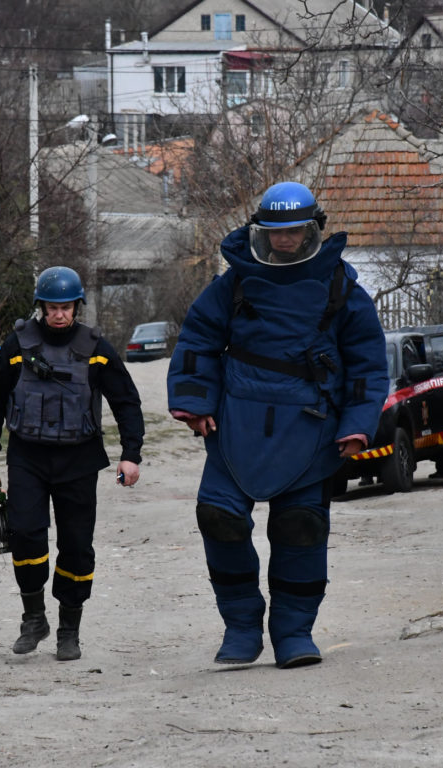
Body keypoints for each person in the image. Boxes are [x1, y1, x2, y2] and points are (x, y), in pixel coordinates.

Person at [166, 181, 389, 669]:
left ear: (313, 231)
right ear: (259, 233)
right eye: (275, 232)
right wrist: (193, 402)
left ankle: (293, 633)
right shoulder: (235, 282)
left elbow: (369, 366)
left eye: (294, 232)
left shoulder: (341, 286)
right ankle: (242, 628)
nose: (284, 240)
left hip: (309, 426)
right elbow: (198, 341)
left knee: (301, 528)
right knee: (218, 518)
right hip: (234, 423)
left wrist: (357, 425)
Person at [0, 266, 144, 661]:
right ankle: (34, 618)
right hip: (28, 456)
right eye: (52, 307)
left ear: (76, 306)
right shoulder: (17, 345)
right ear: (41, 306)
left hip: (79, 459)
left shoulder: (97, 347)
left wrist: (131, 453)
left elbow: (126, 401)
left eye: (66, 307)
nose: (59, 315)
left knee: (77, 548)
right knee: (25, 535)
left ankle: (70, 629)